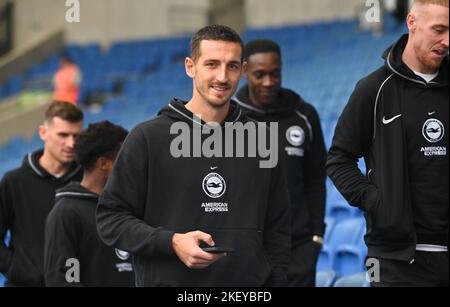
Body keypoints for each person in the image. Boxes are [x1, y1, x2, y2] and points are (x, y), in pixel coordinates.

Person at [96, 25, 291, 287]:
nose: (222, 77)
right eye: (212, 64)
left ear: (243, 71)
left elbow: (278, 226)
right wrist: (171, 241)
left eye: (232, 66)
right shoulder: (147, 139)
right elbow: (111, 219)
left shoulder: (262, 139)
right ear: (190, 66)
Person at [326, 0, 448, 287]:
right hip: (393, 260)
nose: (447, 41)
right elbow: (338, 159)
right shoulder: (373, 89)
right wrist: (377, 202)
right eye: (439, 29)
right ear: (412, 23)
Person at [235, 39, 327, 287]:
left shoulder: (304, 115)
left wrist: (316, 236)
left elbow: (316, 178)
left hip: (297, 249)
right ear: (244, 72)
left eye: (275, 74)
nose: (268, 82)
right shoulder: (229, 120)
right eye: (259, 74)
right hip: (248, 253)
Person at [0, 101, 84, 286]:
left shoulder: (88, 181)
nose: (71, 143)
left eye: (76, 136)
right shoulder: (14, 181)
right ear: (43, 132)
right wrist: (16, 269)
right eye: (63, 135)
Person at [44, 121, 134, 287]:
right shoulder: (67, 213)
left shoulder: (125, 207)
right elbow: (63, 280)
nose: (131, 165)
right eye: (124, 158)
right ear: (104, 164)